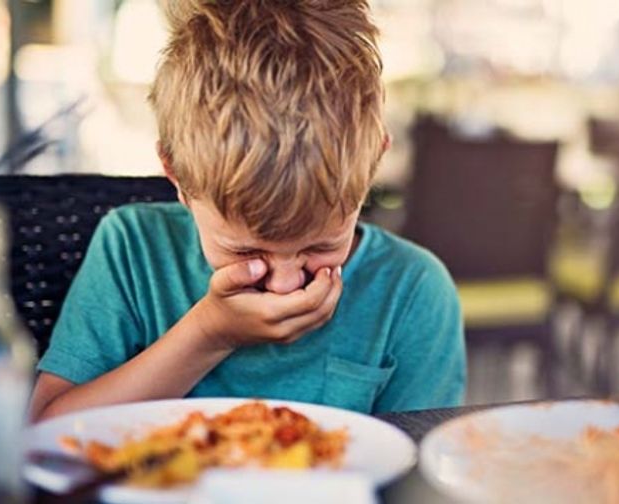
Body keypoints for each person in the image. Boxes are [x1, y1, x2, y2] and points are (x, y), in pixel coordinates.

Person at [29, 0, 465, 421]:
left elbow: (415, 481)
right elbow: (47, 430)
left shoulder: (411, 293)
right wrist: (209, 333)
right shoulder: (132, 251)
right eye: (245, 253)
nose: (285, 284)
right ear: (176, 174)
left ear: (374, 164)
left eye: (321, 244)